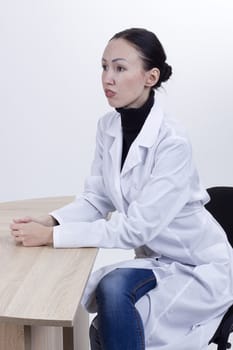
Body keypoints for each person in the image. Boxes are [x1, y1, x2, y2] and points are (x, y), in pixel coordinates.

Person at [10, 28, 233, 350]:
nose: (107, 79)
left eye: (119, 67)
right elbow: (98, 197)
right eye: (104, 67)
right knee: (108, 305)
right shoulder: (108, 126)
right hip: (157, 260)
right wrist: (52, 221)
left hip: (198, 266)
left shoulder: (173, 142)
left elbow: (136, 229)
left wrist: (52, 238)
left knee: (113, 297)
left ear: (150, 77)